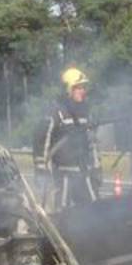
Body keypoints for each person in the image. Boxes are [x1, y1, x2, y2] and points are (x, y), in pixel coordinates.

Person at [38, 67, 100, 211]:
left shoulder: (86, 111)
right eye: (78, 88)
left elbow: (92, 142)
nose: (83, 91)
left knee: (95, 211)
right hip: (64, 176)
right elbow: (42, 142)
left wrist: (97, 167)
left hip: (84, 174)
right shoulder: (56, 112)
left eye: (84, 88)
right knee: (62, 215)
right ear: (68, 89)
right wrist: (42, 169)